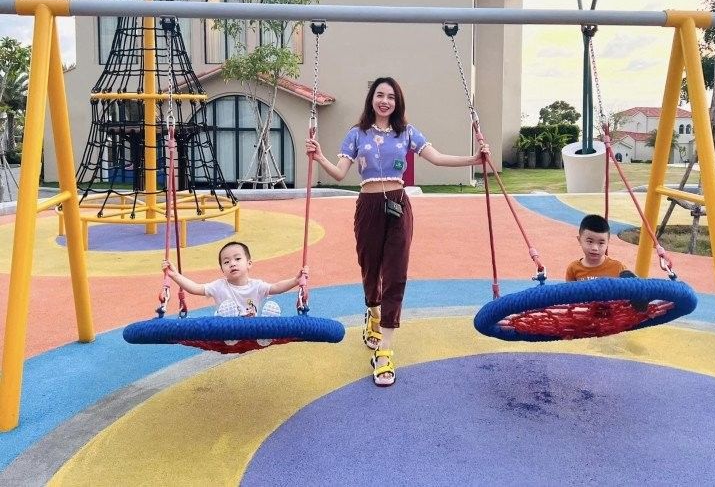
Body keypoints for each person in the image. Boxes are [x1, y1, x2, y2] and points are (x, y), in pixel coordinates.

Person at [306, 76, 489, 387]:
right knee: (370, 269)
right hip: (368, 205)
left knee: (396, 274)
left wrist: (473, 159)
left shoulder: (407, 132)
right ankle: (373, 312)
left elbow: (437, 158)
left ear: (397, 102)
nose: (385, 101)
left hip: (398, 205)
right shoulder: (356, 133)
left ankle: (385, 351)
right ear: (371, 99)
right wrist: (319, 155)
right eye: (380, 95)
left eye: (391, 96)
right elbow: (338, 173)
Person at [162, 240, 308, 319]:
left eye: (237, 259)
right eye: (226, 262)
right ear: (222, 270)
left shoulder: (257, 286)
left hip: (250, 331)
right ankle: (229, 330)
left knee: (271, 307)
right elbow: (195, 288)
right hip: (224, 332)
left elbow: (276, 287)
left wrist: (296, 281)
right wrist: (175, 276)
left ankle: (265, 334)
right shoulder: (219, 286)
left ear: (249, 263)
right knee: (227, 307)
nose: (232, 263)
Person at [565, 214, 628, 281]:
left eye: (601, 243)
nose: (595, 248)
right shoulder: (573, 269)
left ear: (608, 243)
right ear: (579, 240)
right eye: (590, 241)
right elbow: (569, 287)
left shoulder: (619, 269)